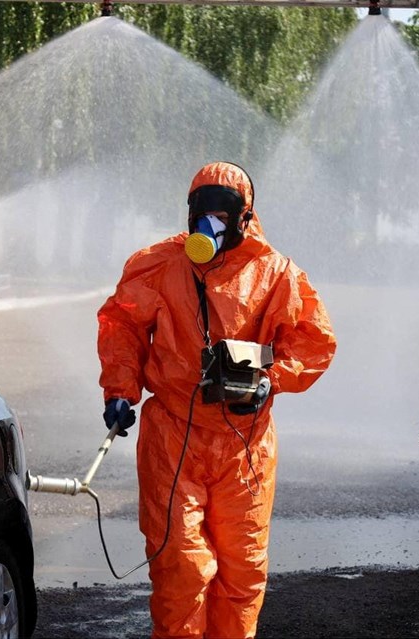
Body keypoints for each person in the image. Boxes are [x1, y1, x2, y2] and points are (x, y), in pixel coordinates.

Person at [97, 161, 337, 638]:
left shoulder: (276, 273)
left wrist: (270, 379)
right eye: (201, 211)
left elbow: (313, 341)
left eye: (222, 214)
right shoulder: (160, 264)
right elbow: (122, 326)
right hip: (172, 440)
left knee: (241, 572)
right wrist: (120, 391)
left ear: (244, 217)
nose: (210, 222)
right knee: (179, 567)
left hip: (245, 448)